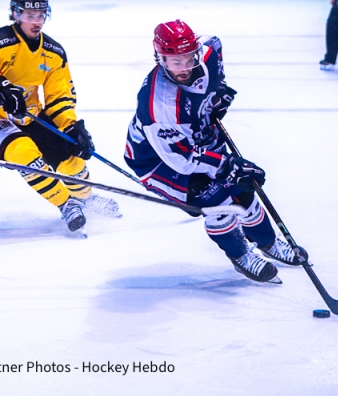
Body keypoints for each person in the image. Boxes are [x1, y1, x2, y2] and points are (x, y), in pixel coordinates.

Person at [124, 20, 308, 283]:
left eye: (189, 58)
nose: (185, 67)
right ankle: (241, 255)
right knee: (217, 200)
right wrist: (227, 165)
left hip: (196, 136)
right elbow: (182, 159)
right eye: (176, 62)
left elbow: (214, 48)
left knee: (243, 188)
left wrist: (217, 96)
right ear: (160, 58)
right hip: (159, 161)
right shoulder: (158, 104)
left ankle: (268, 242)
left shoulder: (208, 53)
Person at [0, 0, 120, 234]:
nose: (37, 21)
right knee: (24, 153)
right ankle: (65, 203)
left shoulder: (53, 53)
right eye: (30, 15)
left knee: (68, 157)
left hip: (29, 114)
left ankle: (85, 196)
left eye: (41, 14)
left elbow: (60, 95)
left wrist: (69, 126)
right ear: (15, 14)